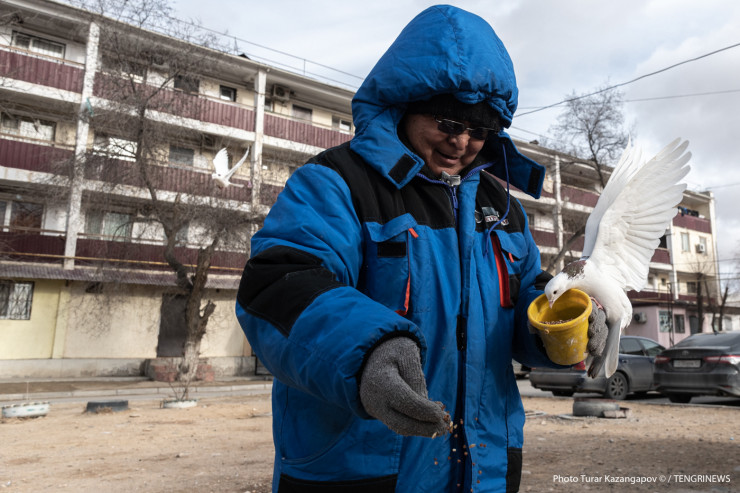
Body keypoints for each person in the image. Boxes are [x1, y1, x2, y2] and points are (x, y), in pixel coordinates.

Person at [236, 5, 606, 493]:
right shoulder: (336, 182)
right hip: (359, 468)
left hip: (482, 469)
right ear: (405, 103)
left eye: (480, 130)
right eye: (449, 122)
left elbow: (522, 300)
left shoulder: (503, 208)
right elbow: (276, 287)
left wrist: (557, 322)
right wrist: (367, 352)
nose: (462, 142)